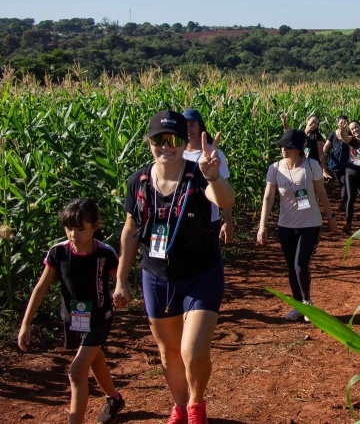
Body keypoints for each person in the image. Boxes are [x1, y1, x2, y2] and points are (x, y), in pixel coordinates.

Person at [113, 111, 234, 424]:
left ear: (183, 142)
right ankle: (179, 406)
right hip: (157, 277)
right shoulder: (138, 182)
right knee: (168, 351)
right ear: (149, 143)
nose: (166, 146)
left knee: (193, 351)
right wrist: (121, 278)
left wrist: (213, 176)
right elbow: (130, 230)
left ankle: (196, 404)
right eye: (159, 139)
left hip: (202, 274)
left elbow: (225, 201)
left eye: (173, 140)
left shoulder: (197, 174)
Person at [18, 198, 125, 424]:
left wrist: (121, 295)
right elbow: (41, 288)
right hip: (75, 318)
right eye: (69, 228)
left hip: (99, 318)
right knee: (95, 360)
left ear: (95, 226)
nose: (74, 234)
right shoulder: (58, 252)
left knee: (76, 372)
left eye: (80, 229)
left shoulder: (104, 253)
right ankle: (114, 399)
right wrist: (26, 323)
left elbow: (121, 283)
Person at [256, 129, 337, 321]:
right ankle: (298, 305)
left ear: (298, 149)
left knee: (300, 263)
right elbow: (268, 198)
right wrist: (262, 226)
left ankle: (307, 302)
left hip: (310, 224)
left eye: (288, 146)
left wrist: (330, 216)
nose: (283, 149)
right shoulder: (275, 168)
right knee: (291, 266)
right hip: (286, 225)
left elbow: (321, 193)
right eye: (282, 146)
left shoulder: (311, 165)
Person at [182, 108, 234, 246]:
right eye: (185, 125)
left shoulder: (215, 154)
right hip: (181, 220)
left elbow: (224, 190)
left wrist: (228, 222)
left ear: (200, 127)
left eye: (192, 125)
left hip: (209, 220)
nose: (188, 129)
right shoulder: (176, 154)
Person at [322, 115, 354, 212]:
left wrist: (342, 132)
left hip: (346, 164)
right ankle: (345, 199)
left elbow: (348, 141)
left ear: (347, 124)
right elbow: (326, 146)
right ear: (337, 123)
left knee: (344, 182)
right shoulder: (333, 134)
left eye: (344, 122)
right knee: (341, 183)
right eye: (341, 123)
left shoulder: (350, 134)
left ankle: (343, 202)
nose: (342, 124)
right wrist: (321, 155)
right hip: (335, 164)